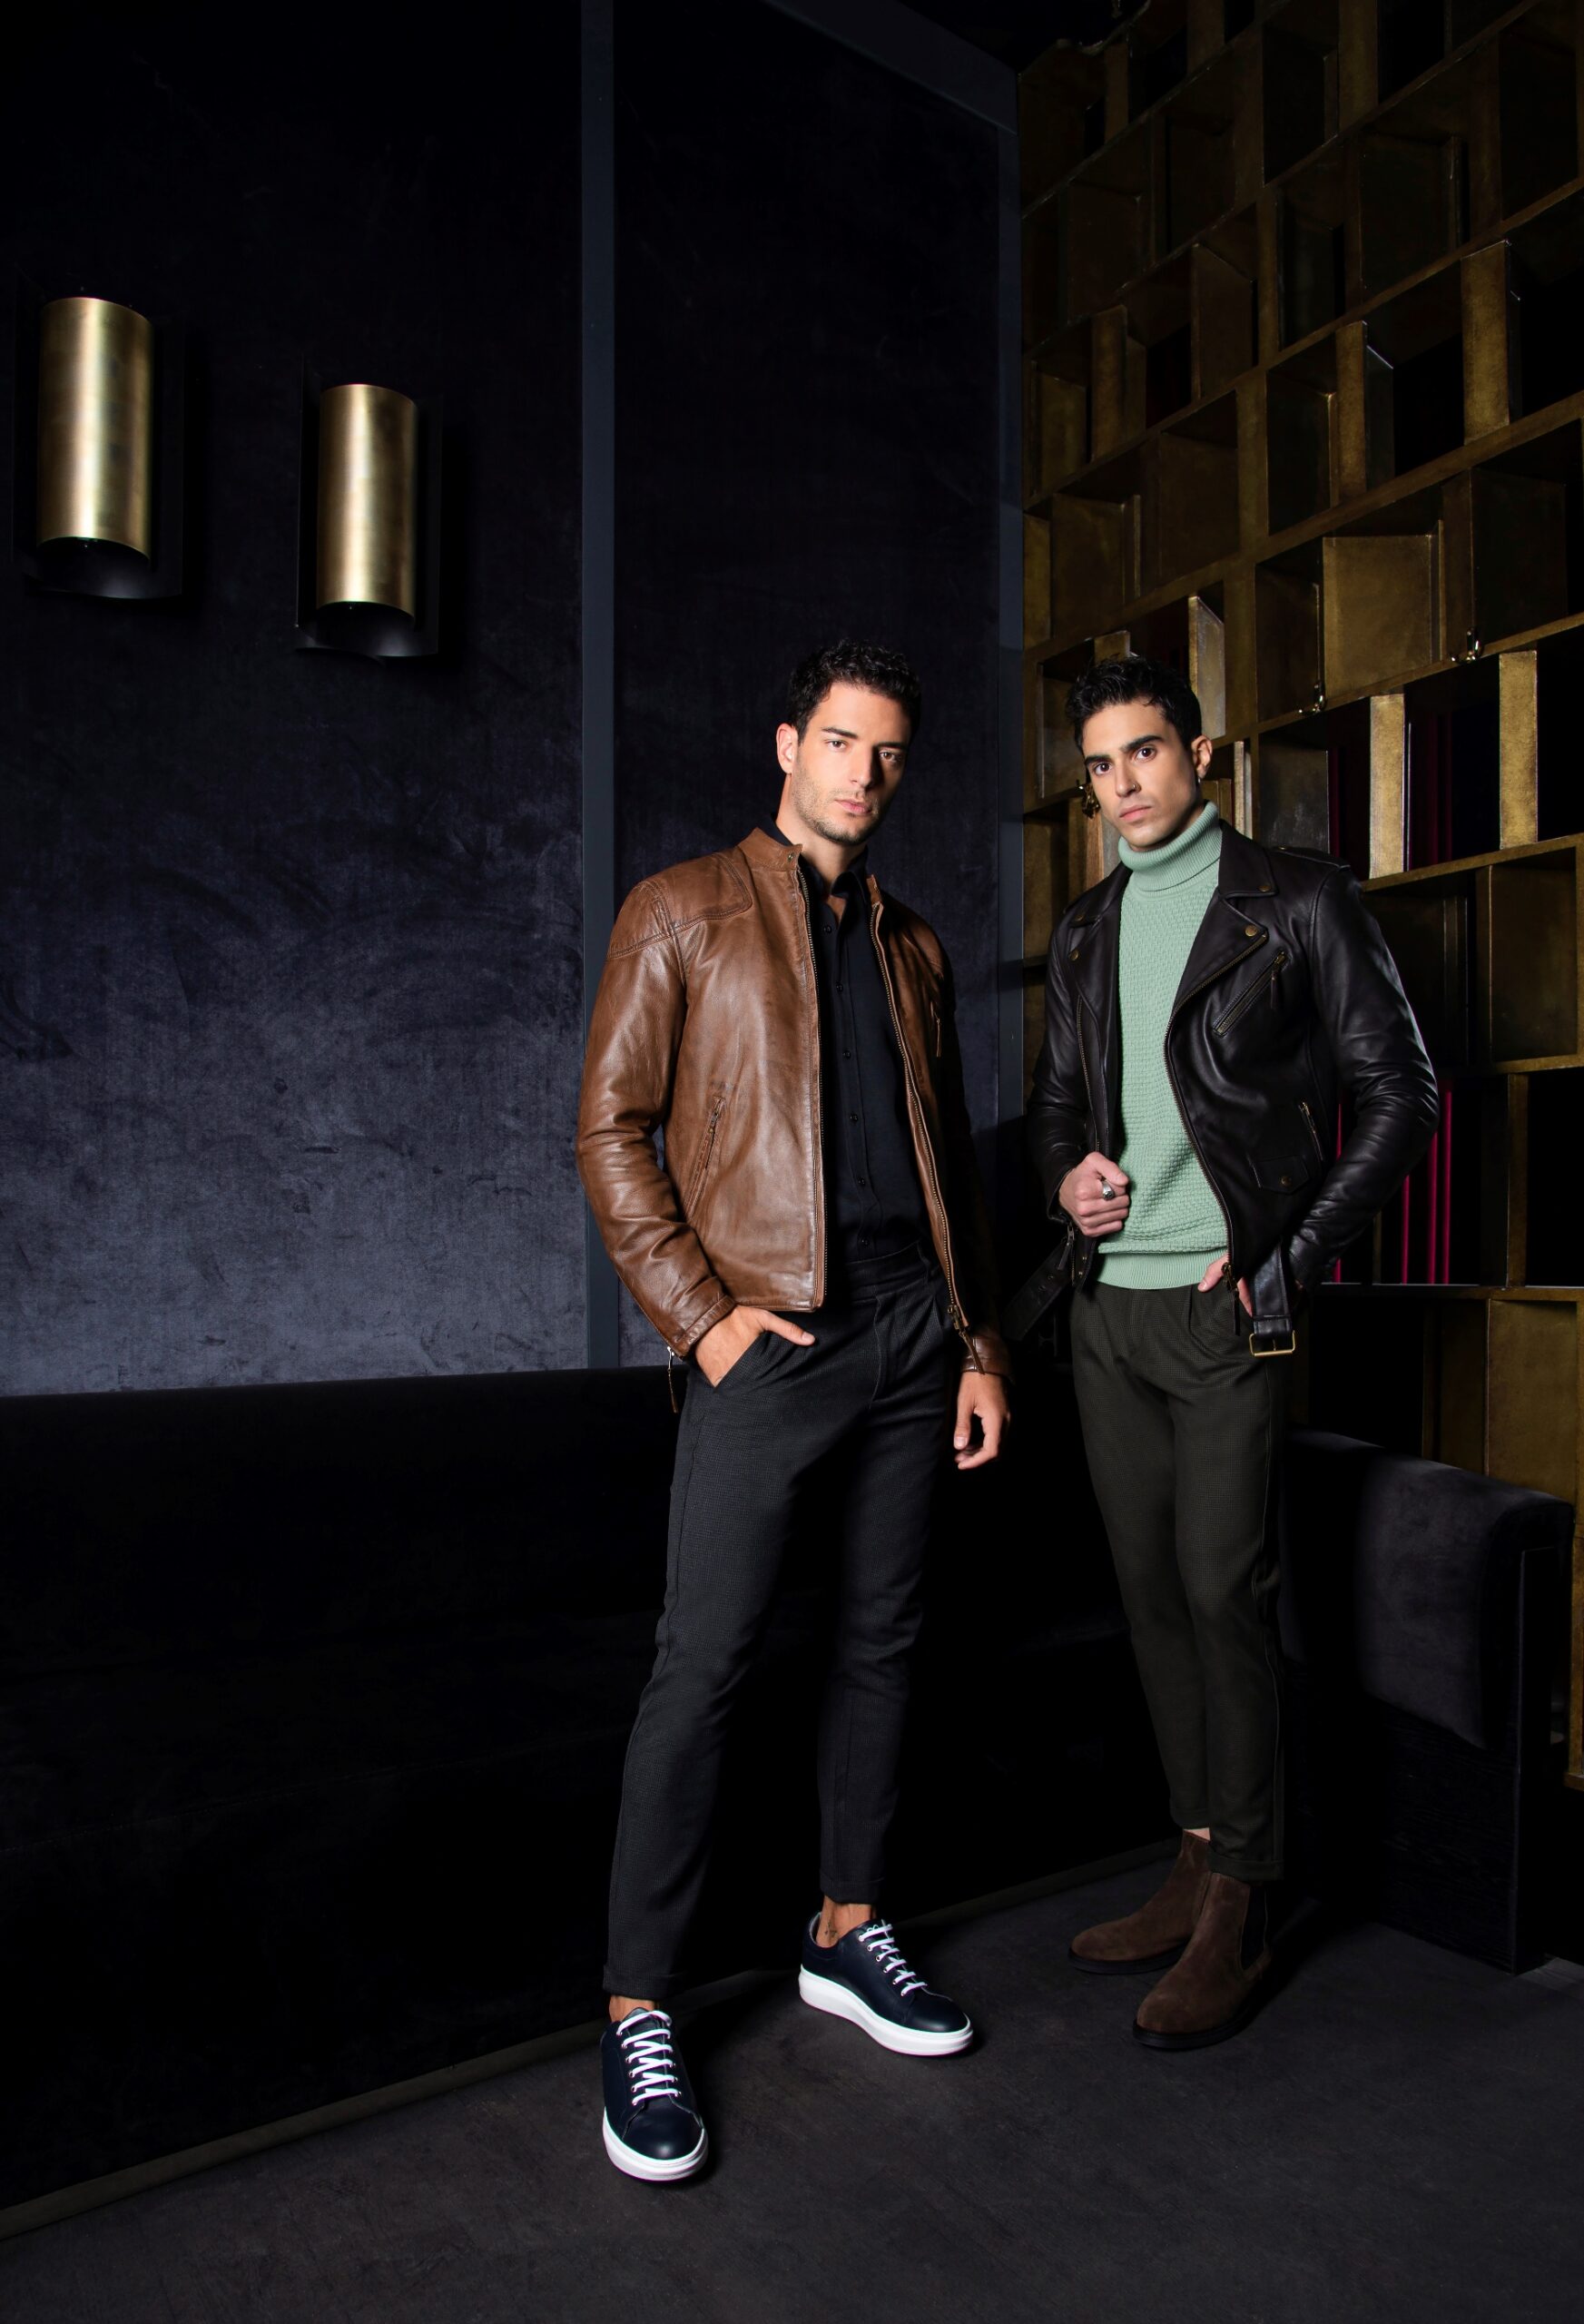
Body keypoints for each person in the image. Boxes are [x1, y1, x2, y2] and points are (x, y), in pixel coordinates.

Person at [577, 639, 1010, 2180]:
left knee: (883, 1642)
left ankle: (845, 1926)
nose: (860, 773)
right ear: (786, 743)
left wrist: (975, 1341)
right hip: (766, 1341)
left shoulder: (914, 945)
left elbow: (947, 1164)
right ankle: (638, 2005)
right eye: (838, 741)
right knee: (702, 1667)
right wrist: (701, 1324)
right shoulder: (679, 909)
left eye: (885, 752)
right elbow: (609, 1129)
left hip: (908, 1333)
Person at [1024, 654, 1437, 2050]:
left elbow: (1401, 1093)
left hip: (1225, 1307)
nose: (1121, 784)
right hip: (1106, 1309)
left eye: (1143, 752)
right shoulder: (1086, 929)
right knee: (1148, 1593)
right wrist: (1065, 1175)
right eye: (1098, 765)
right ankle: (1196, 1854)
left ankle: (1248, 1897)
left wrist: (1287, 1256)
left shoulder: (1294, 902)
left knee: (1222, 1590)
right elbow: (1056, 1105)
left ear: (1199, 755)